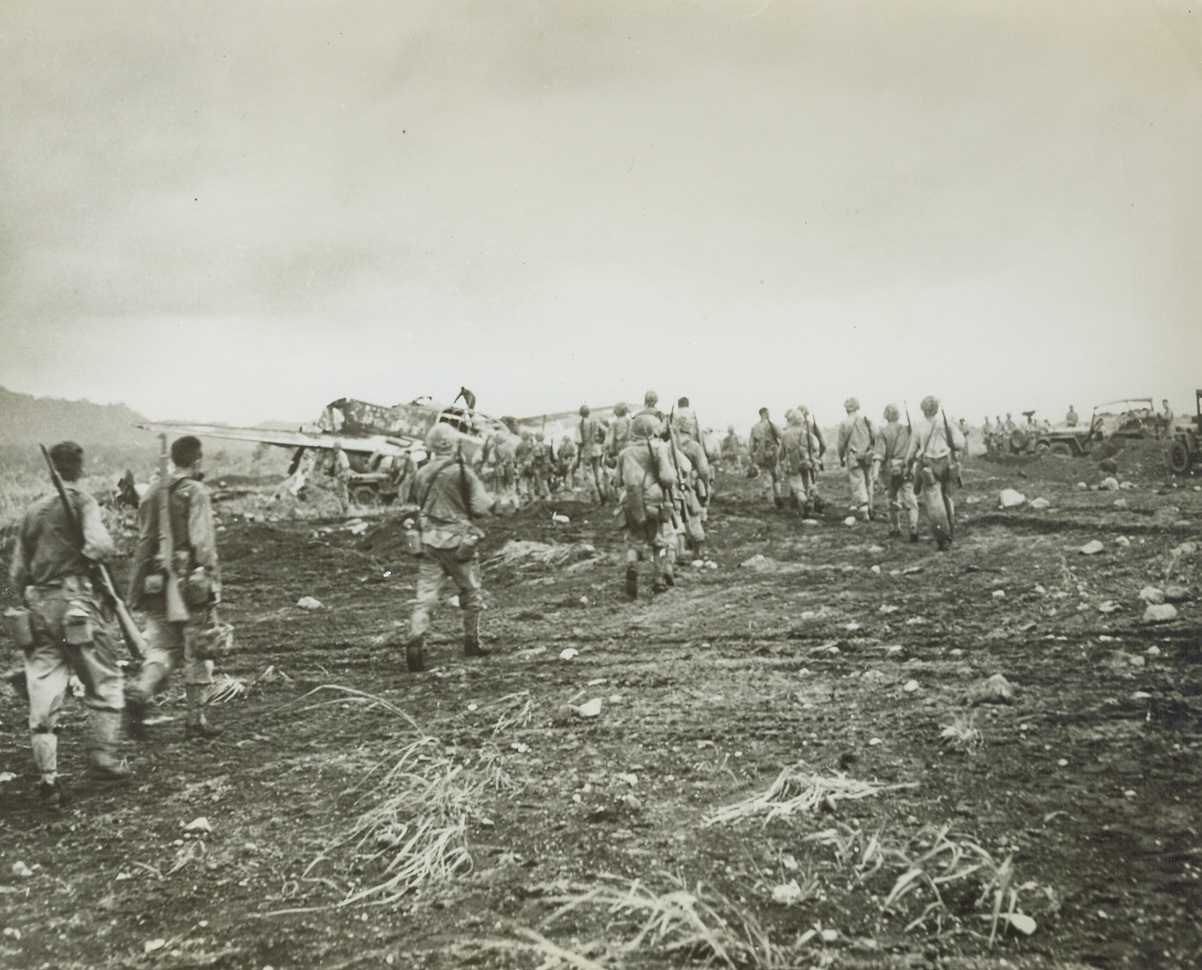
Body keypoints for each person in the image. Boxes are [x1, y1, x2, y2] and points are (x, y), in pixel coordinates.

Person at [8, 442, 130, 807]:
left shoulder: (32, 511)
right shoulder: (83, 503)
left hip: (40, 607)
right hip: (77, 605)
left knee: (43, 691)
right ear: (80, 469)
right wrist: (84, 561)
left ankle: (48, 782)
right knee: (105, 679)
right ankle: (104, 761)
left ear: (53, 472)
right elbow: (101, 545)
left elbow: (17, 574)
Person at [126, 435, 225, 740]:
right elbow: (202, 543)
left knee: (161, 649)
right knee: (199, 649)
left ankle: (142, 692)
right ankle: (195, 722)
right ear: (197, 461)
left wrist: (137, 588)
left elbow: (144, 541)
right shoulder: (195, 491)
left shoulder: (152, 491)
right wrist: (212, 580)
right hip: (190, 585)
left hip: (155, 583)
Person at [401, 424, 495, 672]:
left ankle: (416, 640)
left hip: (428, 541)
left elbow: (417, 503)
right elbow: (480, 507)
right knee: (471, 591)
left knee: (425, 596)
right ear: (454, 444)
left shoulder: (422, 473)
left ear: (430, 445)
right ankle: (472, 642)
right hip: (459, 543)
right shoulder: (464, 473)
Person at [615, 414, 678, 597]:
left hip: (631, 502)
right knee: (658, 541)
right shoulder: (659, 448)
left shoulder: (624, 453)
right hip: (653, 501)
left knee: (634, 541)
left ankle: (632, 565)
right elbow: (667, 479)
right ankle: (658, 580)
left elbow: (617, 481)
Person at [905, 396, 967, 552]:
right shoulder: (945, 425)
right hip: (946, 464)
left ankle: (943, 538)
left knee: (934, 504)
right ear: (936, 409)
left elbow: (912, 451)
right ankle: (950, 530)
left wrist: (908, 467)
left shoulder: (919, 427)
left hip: (929, 466)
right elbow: (960, 443)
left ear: (923, 410)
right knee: (947, 498)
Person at [873, 405, 919, 542]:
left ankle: (895, 528)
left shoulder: (882, 432)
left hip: (889, 470)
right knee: (910, 499)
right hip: (906, 467)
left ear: (885, 415)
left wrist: (875, 473)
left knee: (892, 499)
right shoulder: (908, 429)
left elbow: (879, 454)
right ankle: (913, 527)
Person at [836, 397, 876, 520]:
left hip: (854, 457)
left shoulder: (844, 423)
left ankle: (864, 513)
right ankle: (870, 508)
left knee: (858, 483)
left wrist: (841, 457)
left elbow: (841, 445)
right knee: (869, 482)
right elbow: (875, 436)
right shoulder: (867, 420)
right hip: (868, 455)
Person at [779, 409, 822, 515]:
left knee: (797, 486)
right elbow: (816, 446)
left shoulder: (785, 434)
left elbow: (781, 452)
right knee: (807, 484)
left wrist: (781, 461)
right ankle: (808, 505)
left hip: (792, 462)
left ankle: (803, 501)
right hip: (806, 461)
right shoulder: (806, 433)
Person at [748, 407, 784, 508]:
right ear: (764, 414)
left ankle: (771, 502)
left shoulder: (755, 427)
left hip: (761, 455)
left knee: (766, 477)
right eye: (767, 413)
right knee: (776, 475)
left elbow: (751, 445)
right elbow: (782, 436)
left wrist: (752, 457)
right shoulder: (773, 425)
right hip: (774, 453)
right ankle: (778, 496)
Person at [573, 404, 608, 503]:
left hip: (586, 453)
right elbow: (606, 432)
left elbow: (578, 441)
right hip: (597, 451)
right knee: (597, 474)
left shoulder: (580, 425)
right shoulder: (596, 422)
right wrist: (599, 441)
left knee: (588, 475)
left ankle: (596, 499)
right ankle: (603, 496)